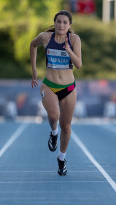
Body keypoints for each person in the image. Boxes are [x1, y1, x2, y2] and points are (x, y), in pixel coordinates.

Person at [30, 10, 82, 176]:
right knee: (54, 115)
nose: (61, 25)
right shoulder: (45, 37)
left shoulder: (74, 39)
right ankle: (53, 133)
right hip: (49, 85)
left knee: (66, 126)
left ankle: (61, 158)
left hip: (69, 88)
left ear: (69, 25)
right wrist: (34, 71)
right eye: (58, 22)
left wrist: (69, 50)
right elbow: (32, 45)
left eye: (65, 22)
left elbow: (79, 64)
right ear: (55, 23)